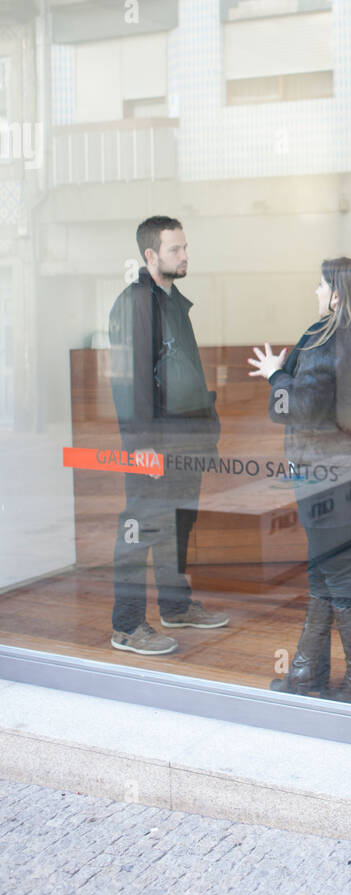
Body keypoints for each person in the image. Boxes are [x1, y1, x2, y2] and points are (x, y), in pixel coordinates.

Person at [248, 257, 351, 705]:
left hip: (326, 477)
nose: (315, 291)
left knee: (337, 574)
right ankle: (310, 671)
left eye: (321, 285)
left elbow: (299, 407)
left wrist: (276, 375)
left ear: (338, 294)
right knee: (324, 572)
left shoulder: (329, 340)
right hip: (346, 474)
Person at [108, 216, 229, 654]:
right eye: (175, 249)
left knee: (178, 524)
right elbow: (130, 384)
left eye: (185, 247)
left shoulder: (174, 301)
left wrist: (205, 431)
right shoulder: (137, 304)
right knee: (139, 528)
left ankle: (175, 607)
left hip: (186, 440)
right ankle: (126, 626)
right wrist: (144, 449)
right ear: (150, 255)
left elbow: (185, 375)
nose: (184, 255)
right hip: (153, 444)